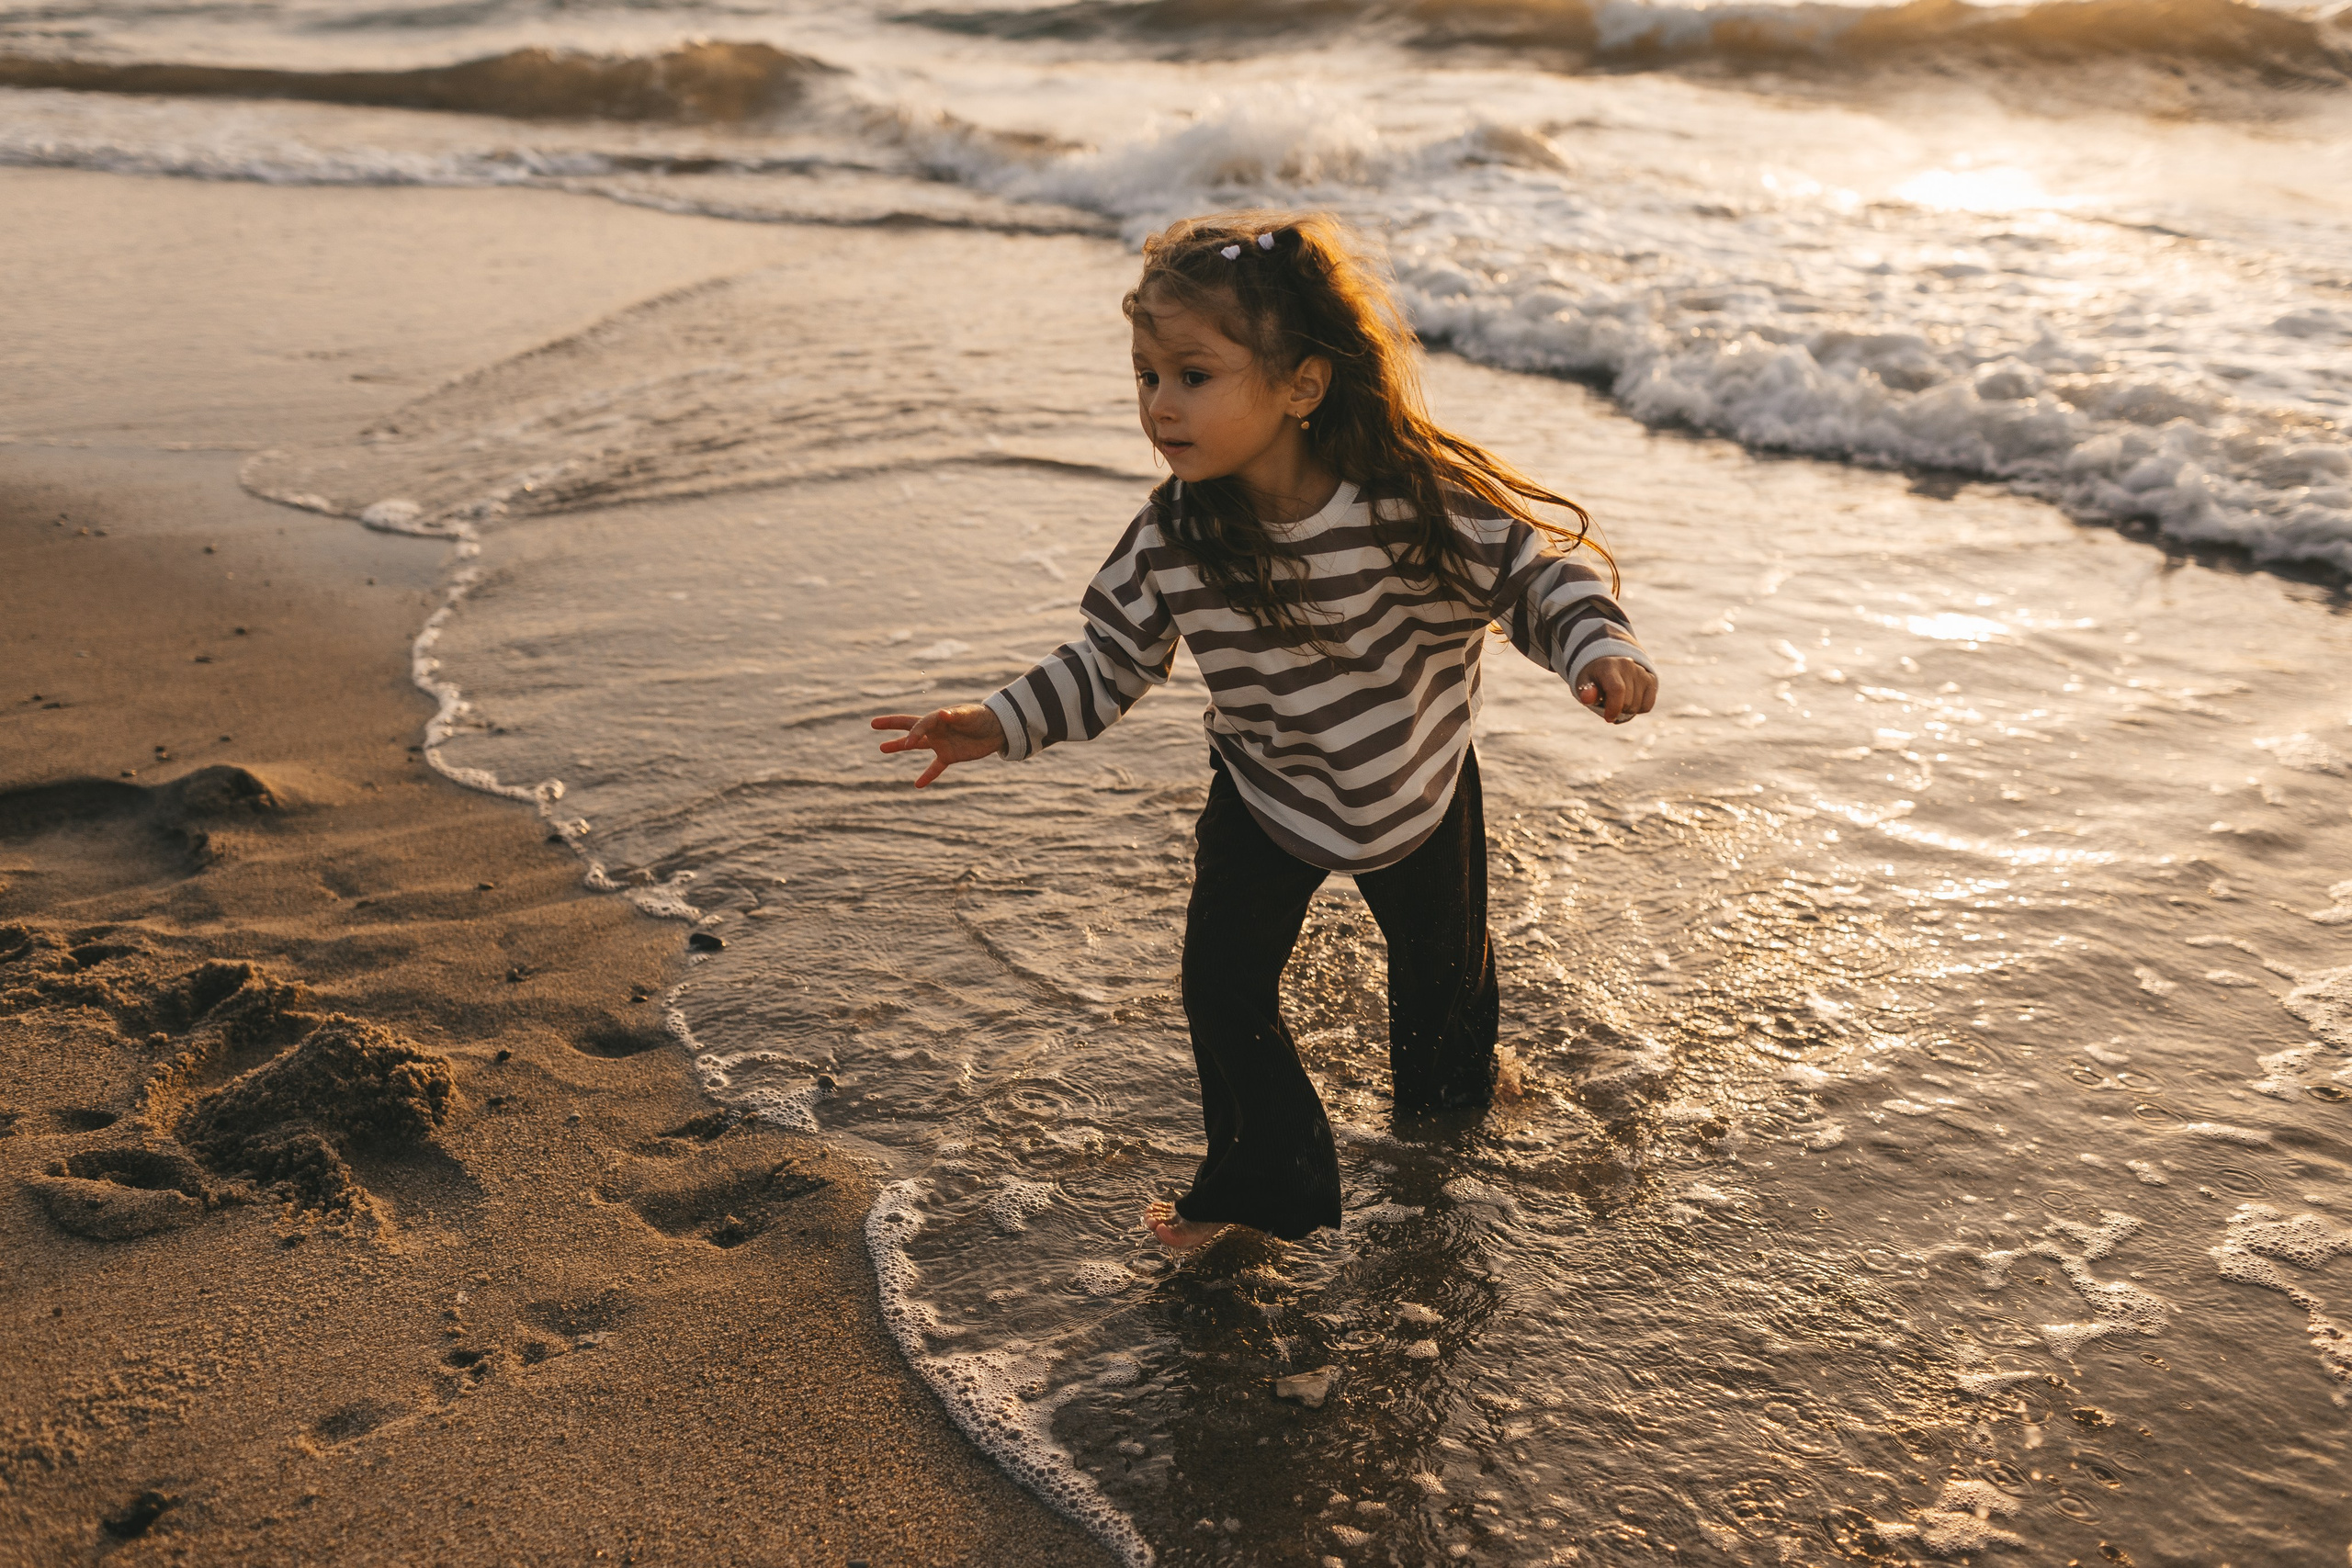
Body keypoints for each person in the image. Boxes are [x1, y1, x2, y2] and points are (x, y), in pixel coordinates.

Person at [870, 210, 1657, 1253]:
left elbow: (1534, 577)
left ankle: (1450, 1136)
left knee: (1442, 985)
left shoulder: (1410, 501)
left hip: (1414, 780)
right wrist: (994, 723)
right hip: (1266, 792)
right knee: (1221, 987)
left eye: (1193, 376)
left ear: (1301, 384)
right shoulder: (1174, 534)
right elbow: (1108, 664)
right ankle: (1260, 1189)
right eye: (1146, 375)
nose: (1160, 406)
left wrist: (1596, 649)